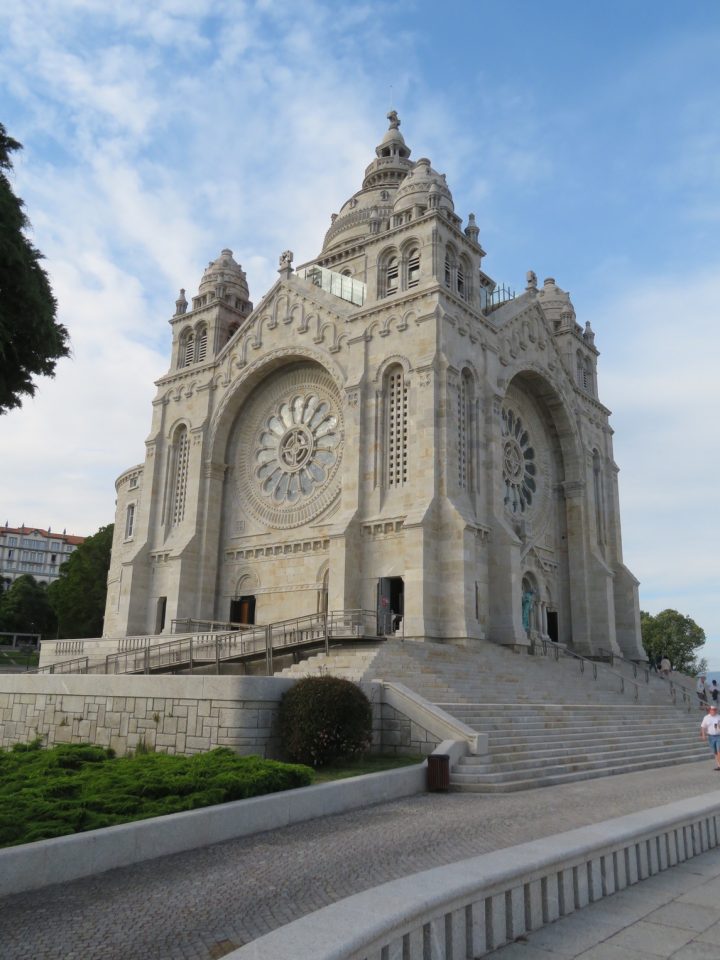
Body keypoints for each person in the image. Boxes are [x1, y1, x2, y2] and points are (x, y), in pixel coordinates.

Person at [700, 704, 720, 770]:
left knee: (719, 751)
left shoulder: (718, 717)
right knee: (715, 752)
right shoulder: (706, 717)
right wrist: (703, 735)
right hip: (711, 737)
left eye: (715, 710)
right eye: (712, 710)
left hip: (718, 736)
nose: (714, 711)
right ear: (709, 710)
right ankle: (719, 765)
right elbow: (703, 727)